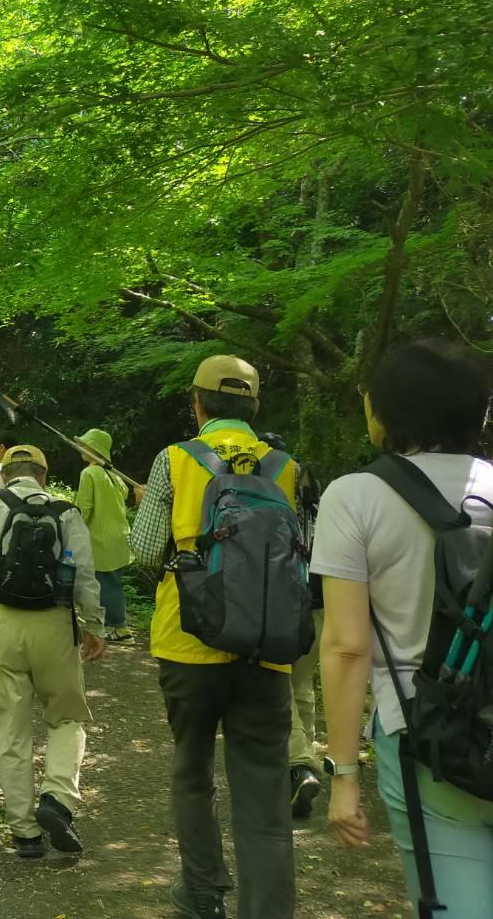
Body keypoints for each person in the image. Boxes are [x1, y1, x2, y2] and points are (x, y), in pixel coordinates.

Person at [315, 341, 493, 919]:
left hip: (427, 738)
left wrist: (344, 776)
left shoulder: (354, 497)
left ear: (388, 412)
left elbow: (346, 646)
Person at [128, 354, 299, 919]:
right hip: (268, 649)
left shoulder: (175, 460)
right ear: (254, 407)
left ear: (197, 403)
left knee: (192, 768)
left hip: (188, 643)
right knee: (265, 800)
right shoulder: (287, 467)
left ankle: (202, 894)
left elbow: (146, 551)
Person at [0, 443, 107, 858]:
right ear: (43, 476)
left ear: (4, 474)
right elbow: (85, 576)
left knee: (11, 730)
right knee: (67, 716)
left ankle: (25, 835)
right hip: (55, 623)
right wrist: (95, 626)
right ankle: (57, 799)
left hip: (2, 624)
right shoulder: (66, 512)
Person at [262, 431, 325, 821]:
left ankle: (300, 765)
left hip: (285, 604)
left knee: (280, 686)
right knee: (303, 685)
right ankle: (311, 753)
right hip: (321, 602)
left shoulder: (264, 499)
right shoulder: (314, 499)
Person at [74, 428, 135, 644]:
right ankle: (113, 625)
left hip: (101, 540)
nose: (81, 447)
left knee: (106, 585)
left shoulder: (89, 473)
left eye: (85, 444)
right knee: (113, 583)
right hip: (120, 538)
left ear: (94, 449)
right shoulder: (114, 474)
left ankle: (121, 629)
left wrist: (73, 529)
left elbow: (83, 508)